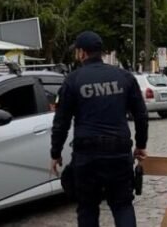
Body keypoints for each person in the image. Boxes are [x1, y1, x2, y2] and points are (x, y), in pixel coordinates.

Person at [51, 31, 148, 227]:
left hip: (87, 155)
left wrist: (56, 153)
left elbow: (61, 121)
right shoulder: (124, 77)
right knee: (122, 205)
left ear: (81, 53)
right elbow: (141, 115)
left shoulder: (73, 80)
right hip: (118, 152)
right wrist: (140, 145)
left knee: (87, 207)